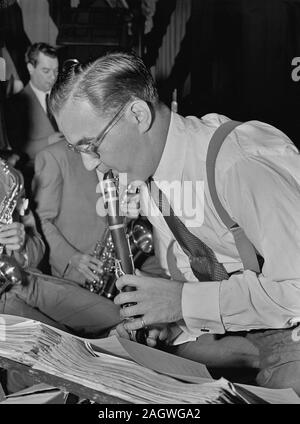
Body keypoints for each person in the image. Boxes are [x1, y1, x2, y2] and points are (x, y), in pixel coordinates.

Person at [48, 52, 300, 394]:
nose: (90, 165)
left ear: (138, 114)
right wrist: (173, 323)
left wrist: (183, 302)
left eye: (91, 145)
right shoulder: (152, 182)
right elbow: (202, 287)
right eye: (76, 149)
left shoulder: (238, 163)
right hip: (253, 335)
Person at [0, 159, 120, 338]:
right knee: (61, 345)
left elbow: (38, 248)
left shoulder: (8, 177)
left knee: (117, 318)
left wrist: (22, 246)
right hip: (4, 304)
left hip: (26, 282)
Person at [33, 139, 107, 285]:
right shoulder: (53, 156)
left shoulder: (115, 144)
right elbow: (39, 221)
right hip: (80, 274)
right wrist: (71, 257)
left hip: (124, 263)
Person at [5, 42, 63, 191]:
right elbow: (18, 148)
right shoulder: (15, 104)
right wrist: (49, 140)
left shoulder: (63, 98)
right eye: (46, 71)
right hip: (38, 181)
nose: (53, 77)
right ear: (31, 68)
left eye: (56, 71)